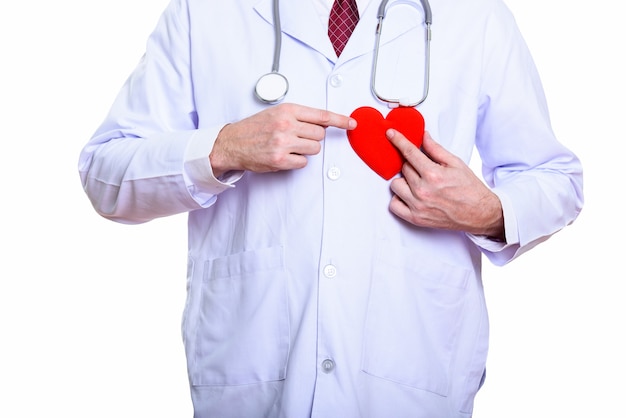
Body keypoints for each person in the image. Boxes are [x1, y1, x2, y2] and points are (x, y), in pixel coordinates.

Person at [78, 0, 583, 416]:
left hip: (411, 374)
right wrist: (223, 148)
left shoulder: (474, 16)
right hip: (253, 376)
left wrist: (490, 211)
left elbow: (556, 180)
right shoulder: (203, 12)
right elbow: (105, 172)